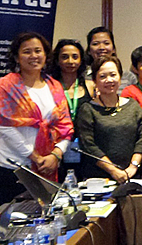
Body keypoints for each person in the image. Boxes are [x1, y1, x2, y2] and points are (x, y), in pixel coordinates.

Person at [0, 32, 74, 203]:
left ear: (45, 55)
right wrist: (35, 158)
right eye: (27, 52)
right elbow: (5, 127)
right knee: (18, 222)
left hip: (49, 166)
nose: (33, 56)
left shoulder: (55, 86)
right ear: (16, 57)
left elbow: (65, 127)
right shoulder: (6, 85)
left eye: (38, 51)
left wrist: (56, 155)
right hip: (15, 167)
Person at [76, 55, 142, 183]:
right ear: (95, 81)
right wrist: (114, 171)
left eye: (113, 75)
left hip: (132, 175)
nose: (109, 80)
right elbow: (88, 145)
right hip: (98, 179)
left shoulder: (133, 105)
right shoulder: (87, 109)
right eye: (102, 76)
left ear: (120, 77)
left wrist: (133, 167)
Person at [49, 39, 95, 179]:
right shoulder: (50, 87)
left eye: (75, 56)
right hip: (57, 147)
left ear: (81, 60)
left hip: (85, 147)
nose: (70, 61)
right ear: (57, 60)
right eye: (64, 57)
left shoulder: (90, 86)